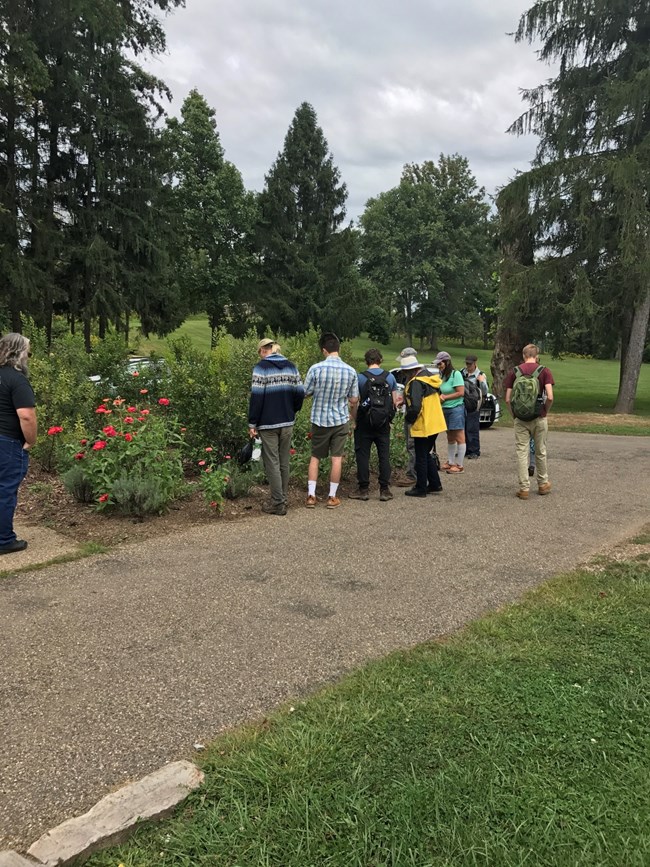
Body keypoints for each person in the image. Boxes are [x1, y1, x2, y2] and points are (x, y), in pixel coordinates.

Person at [248, 338, 304, 516]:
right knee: (284, 461)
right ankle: (283, 498)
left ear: (263, 351)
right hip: (287, 421)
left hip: (267, 423)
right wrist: (293, 409)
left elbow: (256, 398)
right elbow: (300, 392)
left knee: (271, 461)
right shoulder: (291, 366)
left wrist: (252, 422)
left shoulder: (261, 368)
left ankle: (278, 503)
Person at [303, 332, 359, 509]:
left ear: (324, 350)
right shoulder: (350, 371)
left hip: (319, 419)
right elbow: (354, 399)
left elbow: (305, 393)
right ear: (339, 349)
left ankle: (311, 495)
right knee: (336, 458)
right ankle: (332, 496)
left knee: (315, 457)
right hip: (340, 420)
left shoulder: (316, 369)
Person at [0, 333, 37, 554]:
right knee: (5, 491)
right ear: (19, 353)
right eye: (28, 352)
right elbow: (26, 416)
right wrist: (30, 441)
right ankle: (4, 540)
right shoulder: (17, 379)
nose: (29, 357)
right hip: (7, 442)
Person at [504, 343, 555, 499]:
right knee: (540, 451)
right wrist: (544, 411)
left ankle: (524, 488)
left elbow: (507, 399)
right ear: (536, 355)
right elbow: (550, 396)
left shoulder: (515, 372)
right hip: (539, 417)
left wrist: (515, 415)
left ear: (524, 356)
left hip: (520, 418)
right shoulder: (544, 371)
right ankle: (543, 484)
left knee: (521, 452)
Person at [349, 348, 398, 502]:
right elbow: (395, 403)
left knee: (362, 455)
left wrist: (354, 420)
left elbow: (354, 402)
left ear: (366, 361)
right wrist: (389, 419)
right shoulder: (390, 377)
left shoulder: (360, 378)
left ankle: (363, 489)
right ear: (380, 360)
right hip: (383, 422)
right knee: (384, 455)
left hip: (364, 422)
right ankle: (384, 489)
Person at [402, 356, 445, 497]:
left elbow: (415, 407)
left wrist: (409, 419)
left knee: (420, 456)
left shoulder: (416, 382)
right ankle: (434, 483)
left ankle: (420, 488)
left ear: (411, 371)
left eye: (406, 372)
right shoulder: (431, 379)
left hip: (424, 424)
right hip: (436, 422)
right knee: (425, 454)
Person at [391, 346, 419, 486]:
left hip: (414, 418)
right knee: (412, 446)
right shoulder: (411, 377)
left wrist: (409, 417)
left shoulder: (416, 378)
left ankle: (412, 475)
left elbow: (416, 401)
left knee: (412, 445)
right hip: (412, 415)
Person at [436, 351, 466, 474]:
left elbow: (460, 392)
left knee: (459, 435)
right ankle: (450, 461)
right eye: (437, 364)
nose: (439, 366)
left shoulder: (456, 374)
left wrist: (444, 397)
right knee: (450, 436)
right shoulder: (442, 376)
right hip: (445, 408)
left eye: (440, 363)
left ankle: (459, 464)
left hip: (456, 408)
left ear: (447, 362)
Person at [461, 354, 488, 459]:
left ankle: (474, 450)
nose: (468, 366)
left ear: (475, 363)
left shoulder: (480, 375)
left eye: (470, 364)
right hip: (462, 403)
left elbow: (485, 391)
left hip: (474, 405)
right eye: (467, 363)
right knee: (463, 428)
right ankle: (465, 449)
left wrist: (481, 381)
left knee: (472, 428)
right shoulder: (461, 373)